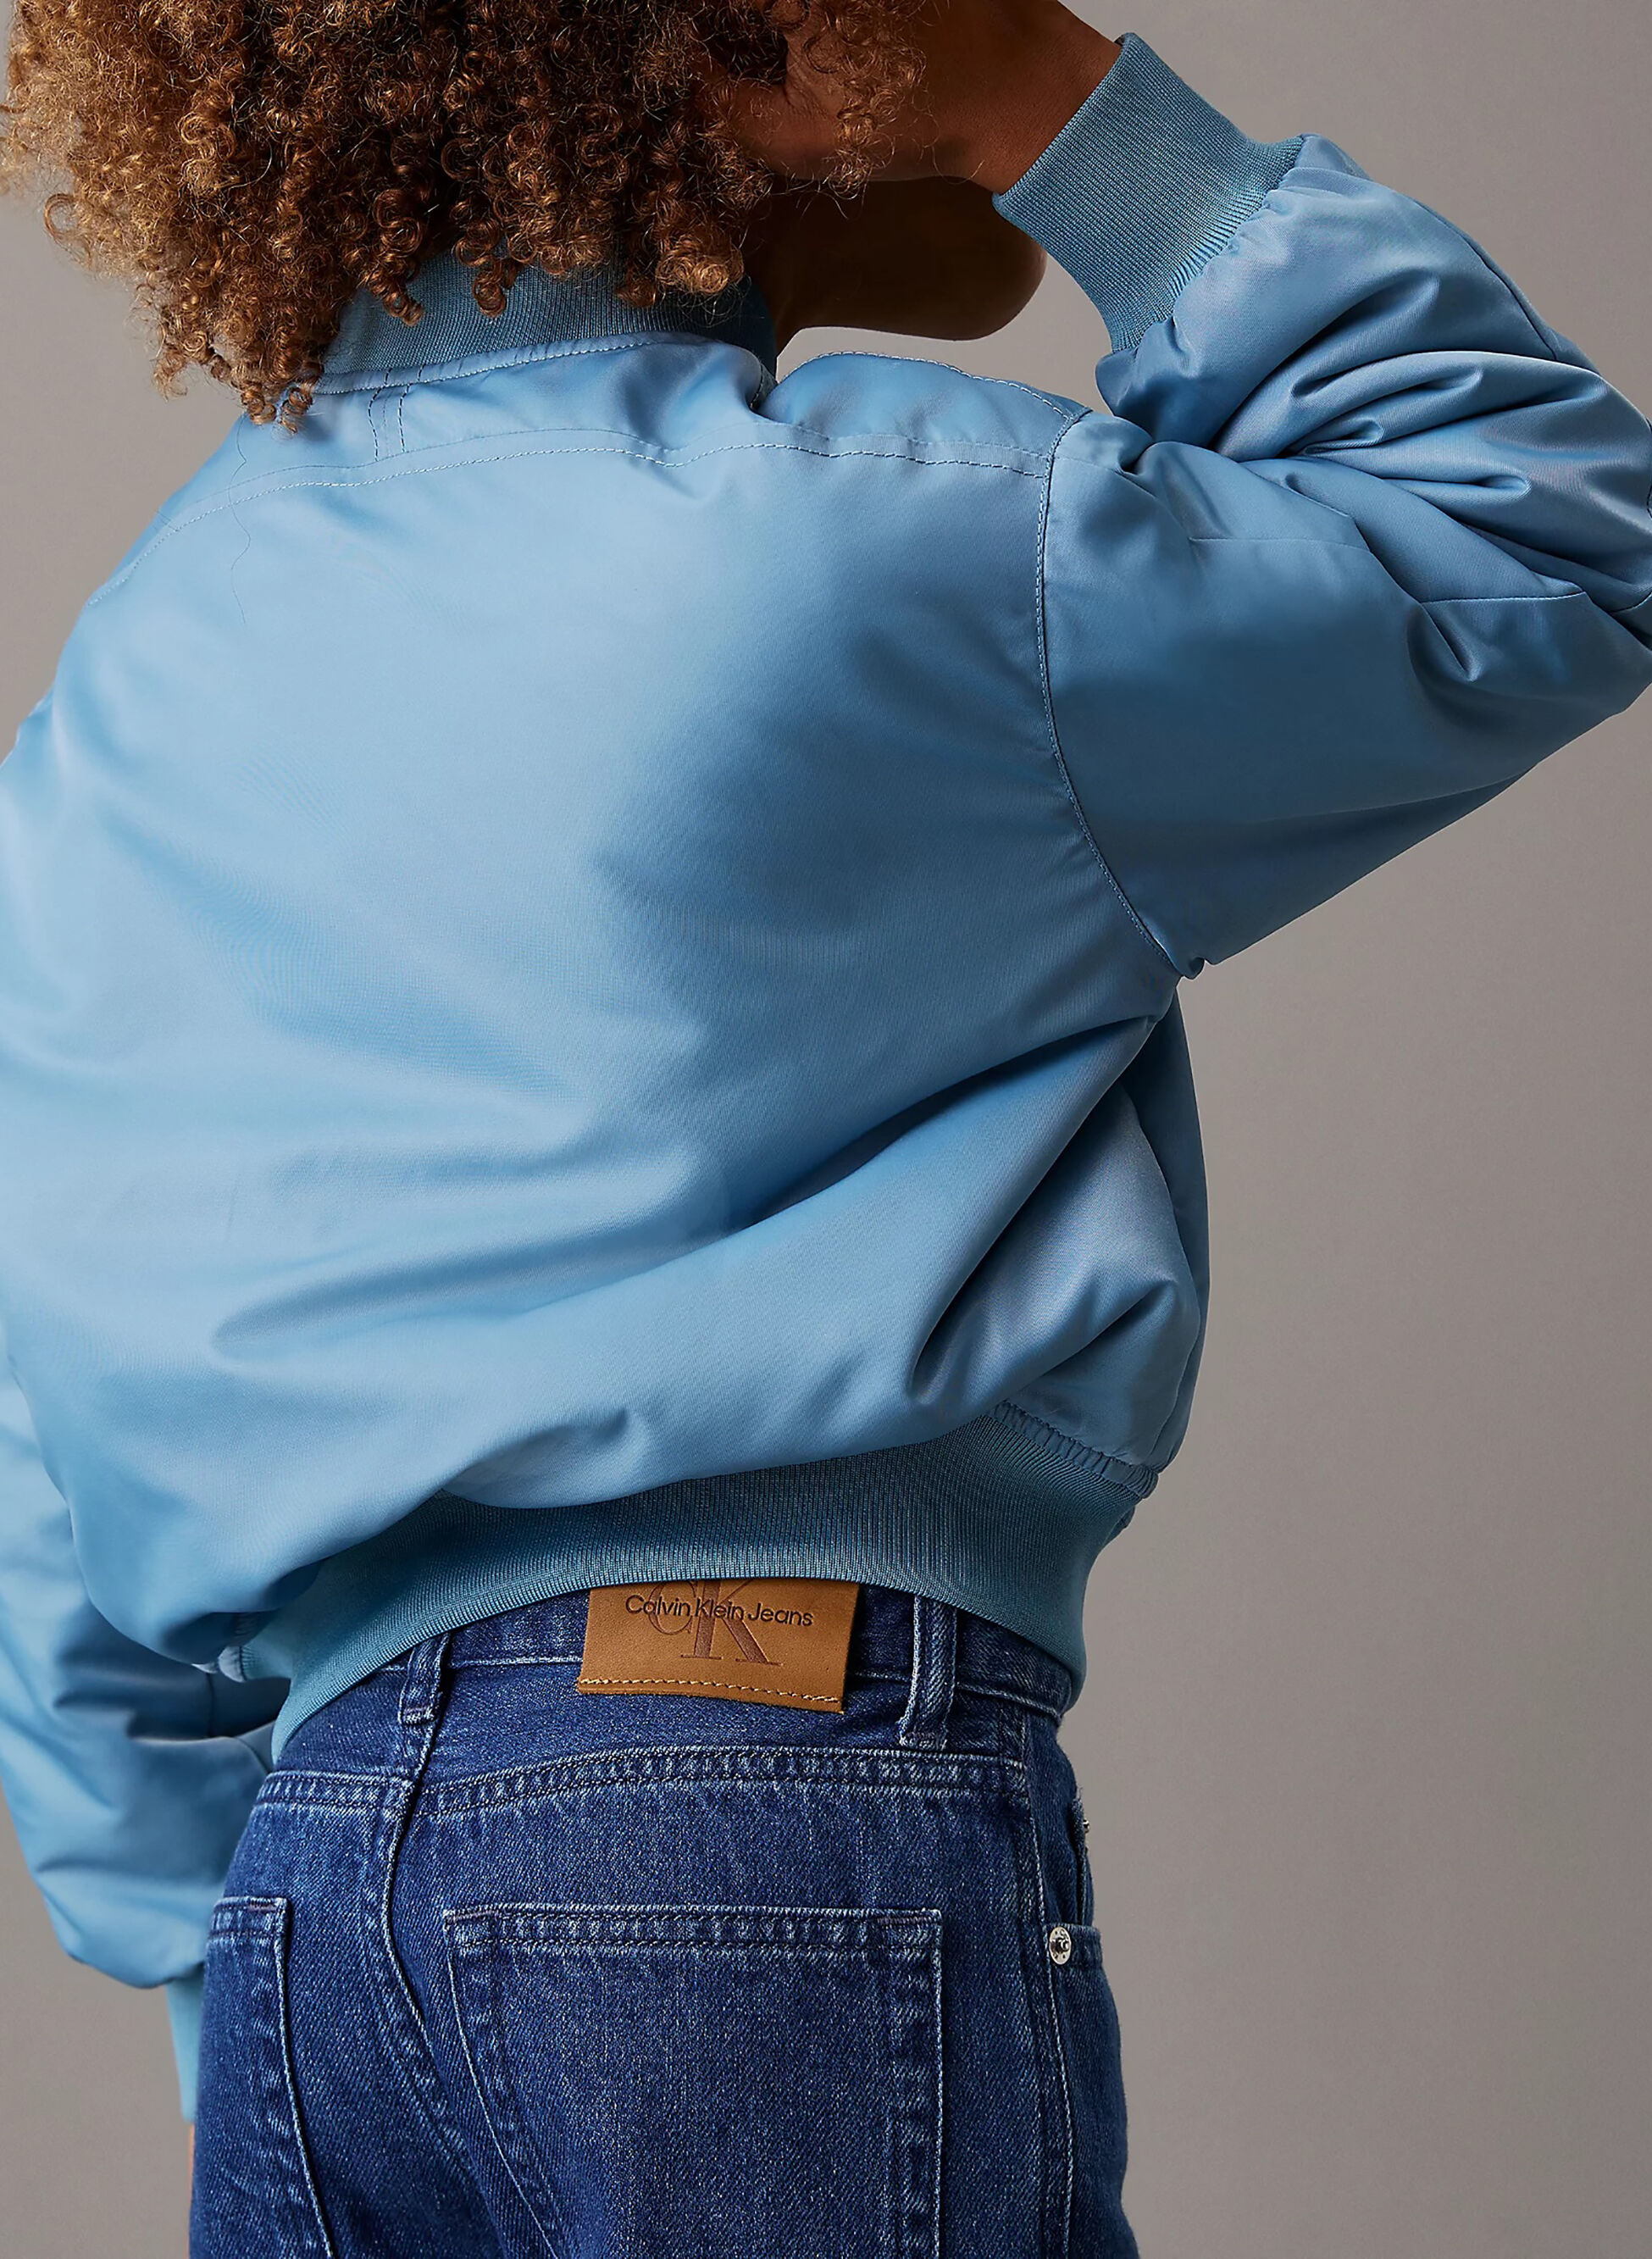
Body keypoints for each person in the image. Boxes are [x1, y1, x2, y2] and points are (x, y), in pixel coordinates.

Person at [1, 0, 1648, 2248]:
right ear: (753, 43)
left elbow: (50, 1425)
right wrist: (1058, 109)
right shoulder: (896, 531)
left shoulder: (133, 684)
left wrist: (245, 1969)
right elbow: (1548, 529)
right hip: (748, 1799)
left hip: (312, 1892)